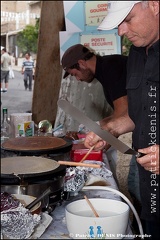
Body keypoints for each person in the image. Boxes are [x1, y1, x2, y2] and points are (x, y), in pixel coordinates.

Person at [85, 1, 159, 239]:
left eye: (128, 20)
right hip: (151, 192)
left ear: (155, 5)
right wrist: (108, 129)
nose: (121, 31)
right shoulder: (137, 53)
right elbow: (140, 113)